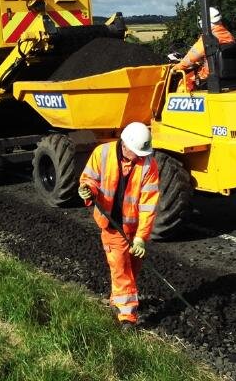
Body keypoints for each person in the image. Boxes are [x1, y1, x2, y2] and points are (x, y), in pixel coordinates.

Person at [78, 122, 159, 330]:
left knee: (132, 267)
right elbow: (90, 179)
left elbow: (148, 203)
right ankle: (127, 316)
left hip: (134, 228)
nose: (141, 157)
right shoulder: (102, 153)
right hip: (111, 224)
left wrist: (141, 237)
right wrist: (88, 190)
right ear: (125, 146)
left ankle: (118, 299)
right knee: (121, 267)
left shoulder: (149, 165)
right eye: (137, 153)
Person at [172, 7, 235, 91]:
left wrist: (176, 68)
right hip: (229, 76)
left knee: (184, 82)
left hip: (209, 77)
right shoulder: (229, 36)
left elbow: (190, 59)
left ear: (205, 22)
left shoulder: (208, 39)